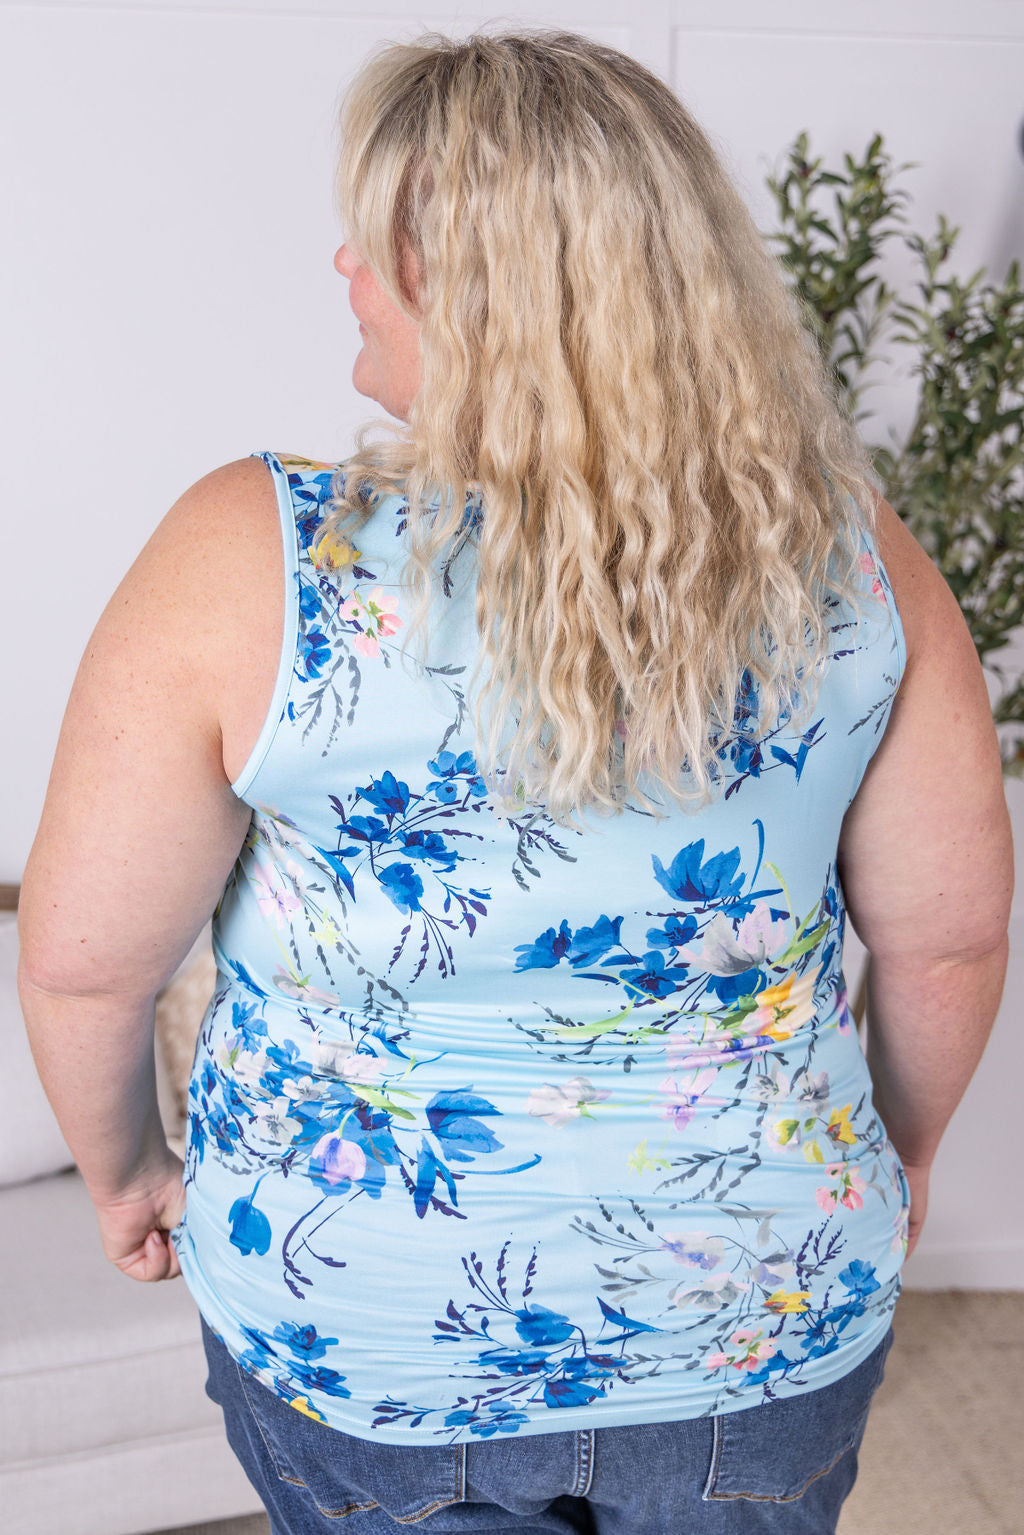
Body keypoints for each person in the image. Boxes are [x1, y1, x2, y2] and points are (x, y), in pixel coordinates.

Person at [18, 27, 1011, 1535]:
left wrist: (124, 1174)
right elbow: (949, 941)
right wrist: (901, 1150)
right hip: (762, 1312)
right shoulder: (858, 561)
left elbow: (86, 965)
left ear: (476, 287)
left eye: (375, 240)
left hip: (367, 1330)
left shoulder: (251, 560)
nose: (343, 267)